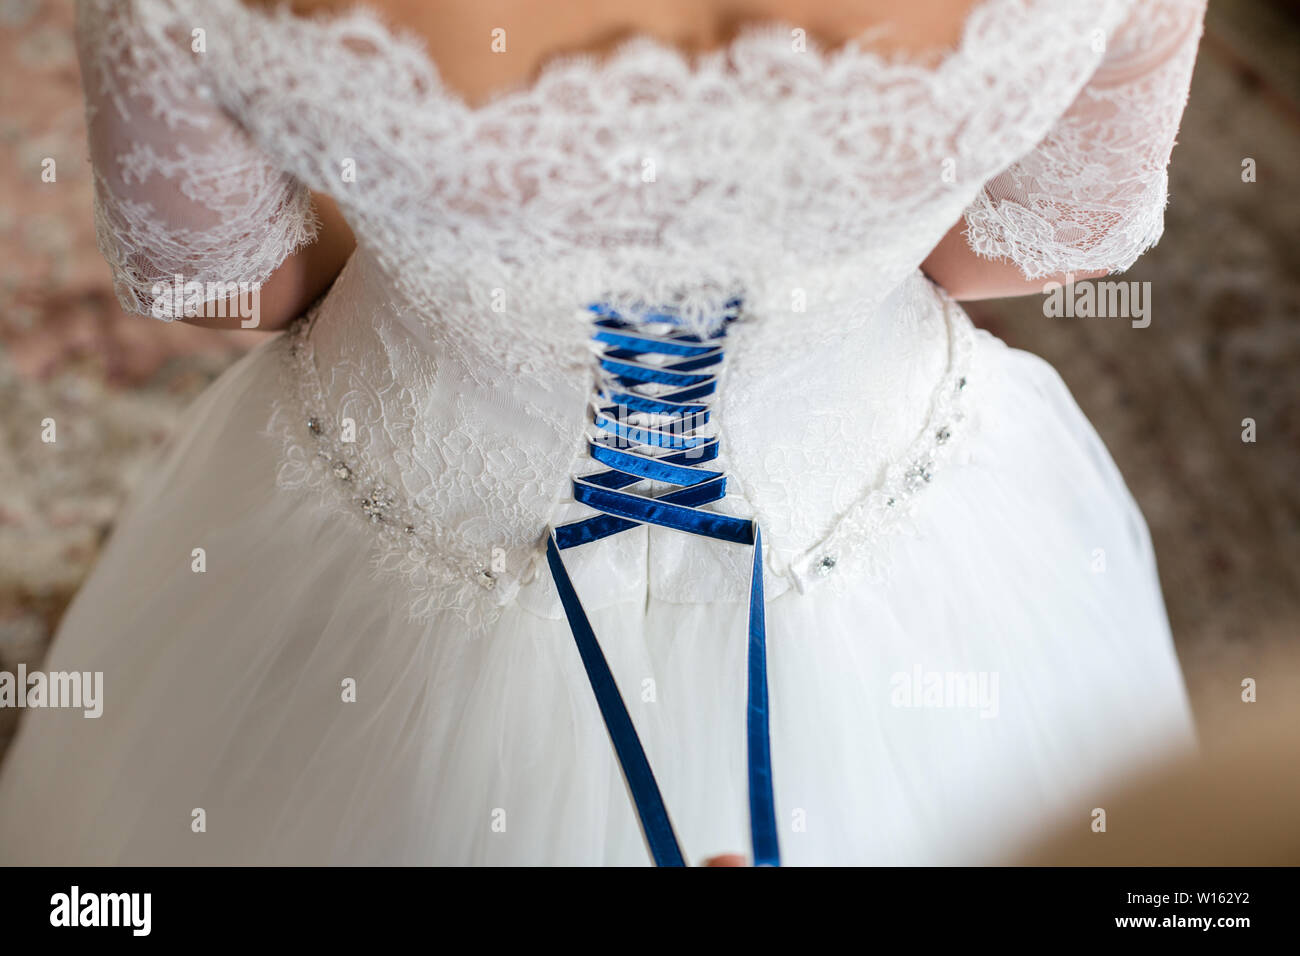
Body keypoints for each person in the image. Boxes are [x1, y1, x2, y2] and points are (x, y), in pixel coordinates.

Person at [0, 0, 1206, 865]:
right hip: (881, 497)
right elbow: (1048, 235)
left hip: (408, 495)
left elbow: (225, 279)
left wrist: (460, 246)